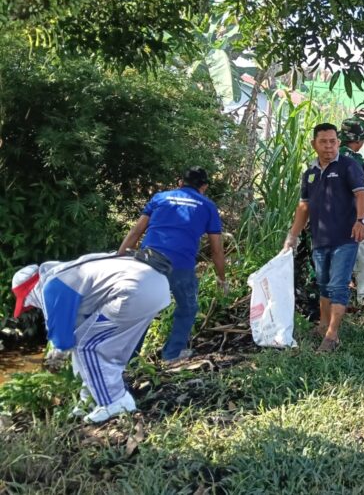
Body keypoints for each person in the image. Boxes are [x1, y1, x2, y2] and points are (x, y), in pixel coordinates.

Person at [11, 250, 171, 422]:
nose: (33, 306)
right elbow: (78, 331)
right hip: (156, 287)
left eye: (28, 302)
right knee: (109, 349)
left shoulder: (52, 286)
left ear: (31, 290)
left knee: (88, 347)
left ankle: (115, 402)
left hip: (133, 290)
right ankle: (91, 399)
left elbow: (63, 340)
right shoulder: (69, 274)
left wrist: (55, 357)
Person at [118, 167, 226, 362]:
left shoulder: (160, 198)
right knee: (188, 307)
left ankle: (130, 359)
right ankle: (172, 355)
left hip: (147, 260)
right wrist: (221, 278)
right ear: (204, 187)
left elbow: (136, 231)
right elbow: (216, 250)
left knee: (144, 308)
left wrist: (119, 258)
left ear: (180, 183)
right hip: (180, 264)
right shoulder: (208, 206)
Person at [284, 123, 364, 352]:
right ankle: (323, 325)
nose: (329, 146)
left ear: (338, 143)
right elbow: (304, 207)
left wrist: (361, 221)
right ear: (314, 144)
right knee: (323, 284)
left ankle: (332, 336)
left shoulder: (348, 166)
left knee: (338, 285)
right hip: (319, 239)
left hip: (345, 238)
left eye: (333, 141)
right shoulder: (310, 174)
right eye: (323, 142)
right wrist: (292, 236)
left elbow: (361, 194)